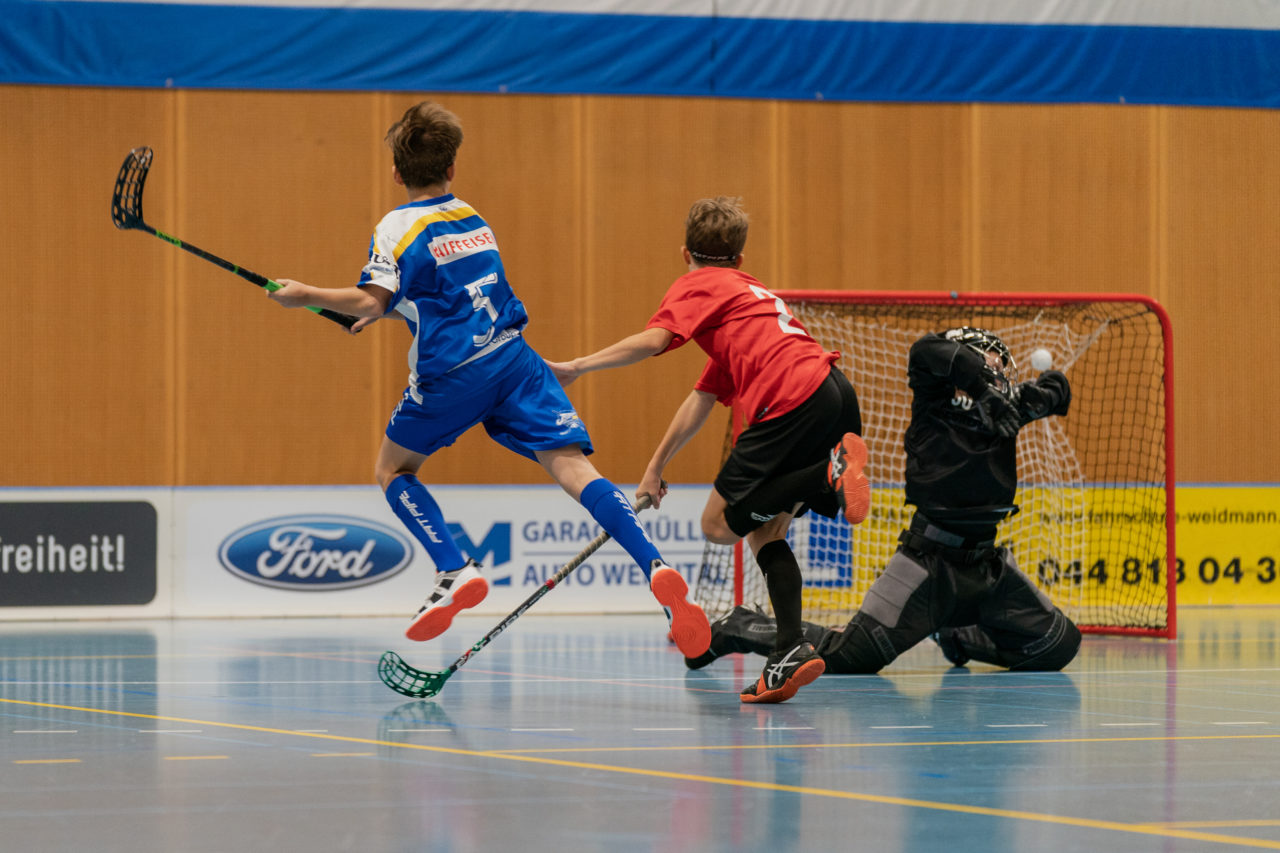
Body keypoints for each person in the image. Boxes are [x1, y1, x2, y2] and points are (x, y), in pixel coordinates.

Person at [265, 100, 710, 658]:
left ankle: (454, 568)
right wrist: (383, 313)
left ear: (397, 173)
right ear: (451, 168)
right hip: (515, 358)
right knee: (573, 467)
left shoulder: (396, 227)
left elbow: (371, 299)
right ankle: (656, 565)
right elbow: (438, 299)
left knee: (392, 468)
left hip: (453, 374)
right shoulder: (473, 218)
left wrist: (304, 295)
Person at [547, 196, 870, 704]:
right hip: (833, 391)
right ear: (740, 259)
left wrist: (579, 366)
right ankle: (790, 648)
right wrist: (654, 469)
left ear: (685, 254)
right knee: (768, 529)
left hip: (790, 399)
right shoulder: (749, 300)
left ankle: (827, 475)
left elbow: (656, 340)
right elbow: (700, 399)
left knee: (717, 526)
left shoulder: (700, 285)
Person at [686, 327, 1083, 675]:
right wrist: (983, 389)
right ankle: (741, 625)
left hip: (986, 565)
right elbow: (927, 350)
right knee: (849, 657)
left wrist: (1034, 398)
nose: (997, 370)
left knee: (1058, 644)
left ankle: (960, 637)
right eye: (989, 362)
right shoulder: (935, 399)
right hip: (926, 565)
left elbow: (1059, 387)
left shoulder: (1005, 408)